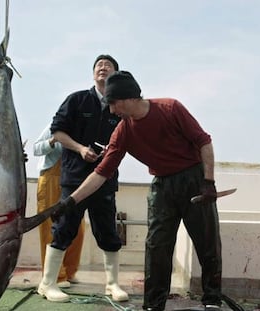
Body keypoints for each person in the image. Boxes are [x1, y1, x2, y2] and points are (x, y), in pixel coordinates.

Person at [52, 70, 223, 311]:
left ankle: (212, 301)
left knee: (207, 242)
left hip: (193, 179)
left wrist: (209, 181)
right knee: (156, 246)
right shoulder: (123, 131)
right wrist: (70, 202)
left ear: (129, 97)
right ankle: (153, 305)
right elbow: (101, 173)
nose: (111, 110)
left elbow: (204, 141)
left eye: (114, 103)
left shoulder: (171, 108)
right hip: (162, 185)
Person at [37, 55, 129, 303]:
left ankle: (112, 284)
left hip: (105, 181)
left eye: (108, 66)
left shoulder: (120, 108)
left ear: (116, 76)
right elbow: (57, 131)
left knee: (108, 231)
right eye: (98, 65)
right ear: (93, 74)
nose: (102, 67)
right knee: (64, 228)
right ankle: (47, 284)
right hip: (75, 178)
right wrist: (79, 149)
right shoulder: (76, 100)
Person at [33, 123, 85, 288]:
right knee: (50, 227)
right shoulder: (55, 125)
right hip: (51, 179)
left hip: (72, 181)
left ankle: (69, 272)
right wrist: (53, 140)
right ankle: (55, 275)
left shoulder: (85, 128)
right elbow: (36, 149)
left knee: (77, 227)